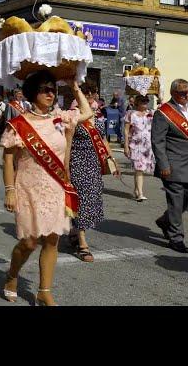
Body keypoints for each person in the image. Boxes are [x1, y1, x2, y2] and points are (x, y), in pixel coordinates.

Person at [1, 71, 90, 306]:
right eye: (44, 89)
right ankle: (12, 275)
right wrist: (10, 189)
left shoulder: (60, 118)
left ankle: (44, 291)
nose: (51, 93)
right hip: (27, 188)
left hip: (55, 187)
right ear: (32, 93)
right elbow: (8, 159)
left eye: (53, 89)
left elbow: (87, 112)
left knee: (52, 240)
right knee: (29, 242)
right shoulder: (19, 124)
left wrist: (74, 86)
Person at [151, 79, 188, 254]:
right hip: (173, 164)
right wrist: (163, 164)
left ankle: (165, 220)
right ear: (173, 93)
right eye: (182, 93)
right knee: (175, 201)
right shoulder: (164, 112)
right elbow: (157, 141)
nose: (186, 95)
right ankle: (176, 237)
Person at [67, 80, 108, 262]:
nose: (92, 97)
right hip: (78, 161)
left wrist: (109, 158)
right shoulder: (73, 114)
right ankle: (82, 242)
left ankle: (75, 232)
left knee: (91, 199)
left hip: (94, 163)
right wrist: (65, 166)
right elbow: (66, 142)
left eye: (94, 93)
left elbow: (102, 137)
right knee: (82, 200)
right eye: (88, 93)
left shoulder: (96, 115)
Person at [124, 95, 155, 201]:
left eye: (146, 101)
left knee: (139, 170)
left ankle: (137, 190)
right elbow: (126, 130)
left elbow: (162, 110)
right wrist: (126, 146)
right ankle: (140, 193)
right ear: (137, 102)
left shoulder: (150, 114)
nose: (145, 103)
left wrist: (159, 96)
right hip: (136, 145)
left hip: (147, 146)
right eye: (143, 101)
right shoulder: (131, 114)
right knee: (139, 168)